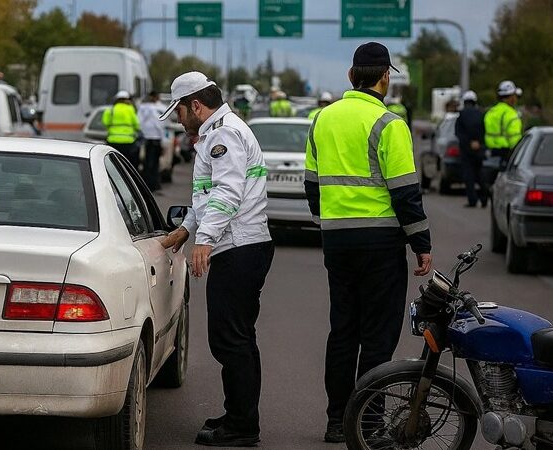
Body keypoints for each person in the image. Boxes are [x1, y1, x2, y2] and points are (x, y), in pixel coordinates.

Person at [303, 42, 432, 443]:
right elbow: (405, 192)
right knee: (377, 338)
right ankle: (369, 422)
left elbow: (312, 185)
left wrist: (330, 222)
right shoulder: (389, 123)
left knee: (342, 330)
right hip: (379, 244)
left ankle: (337, 420)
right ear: (385, 77)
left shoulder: (322, 120)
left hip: (337, 242)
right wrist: (420, 243)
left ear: (350, 76)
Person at [159, 71, 274, 447]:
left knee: (230, 340)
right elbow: (207, 197)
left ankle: (242, 427)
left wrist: (203, 241)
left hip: (239, 245)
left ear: (196, 105)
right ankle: (240, 415)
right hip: (241, 245)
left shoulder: (223, 133)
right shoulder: (216, 132)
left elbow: (228, 191)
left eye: (178, 110)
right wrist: (187, 228)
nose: (178, 118)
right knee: (236, 337)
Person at [455, 90, 488, 208]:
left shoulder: (462, 115)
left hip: (466, 151)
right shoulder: (481, 114)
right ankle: (484, 199)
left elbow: (458, 133)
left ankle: (472, 200)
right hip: (479, 150)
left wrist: (469, 143)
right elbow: (485, 131)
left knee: (469, 176)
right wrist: (479, 143)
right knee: (480, 175)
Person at [484, 80, 523, 171]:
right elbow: (514, 138)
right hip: (506, 153)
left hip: (490, 152)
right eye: (515, 96)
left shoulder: (491, 112)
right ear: (511, 98)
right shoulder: (511, 114)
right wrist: (519, 152)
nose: (516, 99)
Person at [102, 90, 141, 169]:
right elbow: (137, 124)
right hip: (128, 142)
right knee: (127, 163)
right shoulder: (130, 109)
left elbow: (105, 122)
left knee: (114, 163)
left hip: (113, 141)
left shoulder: (111, 109)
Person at [137, 90, 165, 191]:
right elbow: (159, 125)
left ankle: (145, 185)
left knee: (147, 163)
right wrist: (162, 138)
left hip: (145, 138)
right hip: (155, 138)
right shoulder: (157, 108)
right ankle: (153, 185)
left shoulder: (142, 107)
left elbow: (139, 122)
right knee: (154, 164)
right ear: (155, 97)